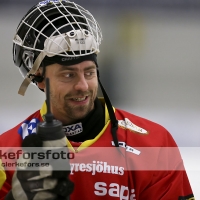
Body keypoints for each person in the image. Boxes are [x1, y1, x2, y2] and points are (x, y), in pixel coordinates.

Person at [0, 0, 195, 199]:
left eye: (90, 72)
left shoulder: (154, 143)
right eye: (68, 75)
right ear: (39, 78)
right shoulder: (6, 152)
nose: (83, 86)